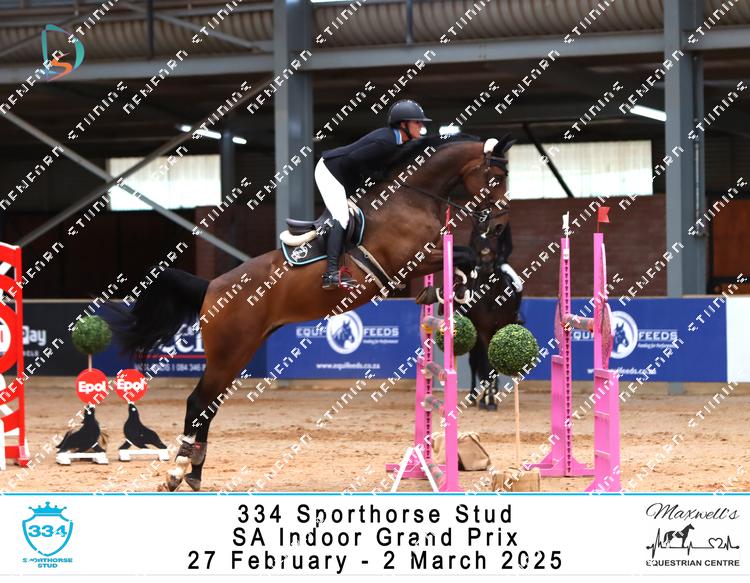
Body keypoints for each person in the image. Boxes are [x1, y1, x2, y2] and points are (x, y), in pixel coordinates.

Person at [315, 99, 431, 289]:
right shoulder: (386, 142)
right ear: (403, 124)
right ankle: (331, 274)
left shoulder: (397, 142)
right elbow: (352, 160)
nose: (421, 126)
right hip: (329, 170)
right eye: (417, 122)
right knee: (342, 217)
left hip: (345, 174)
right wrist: (375, 175)